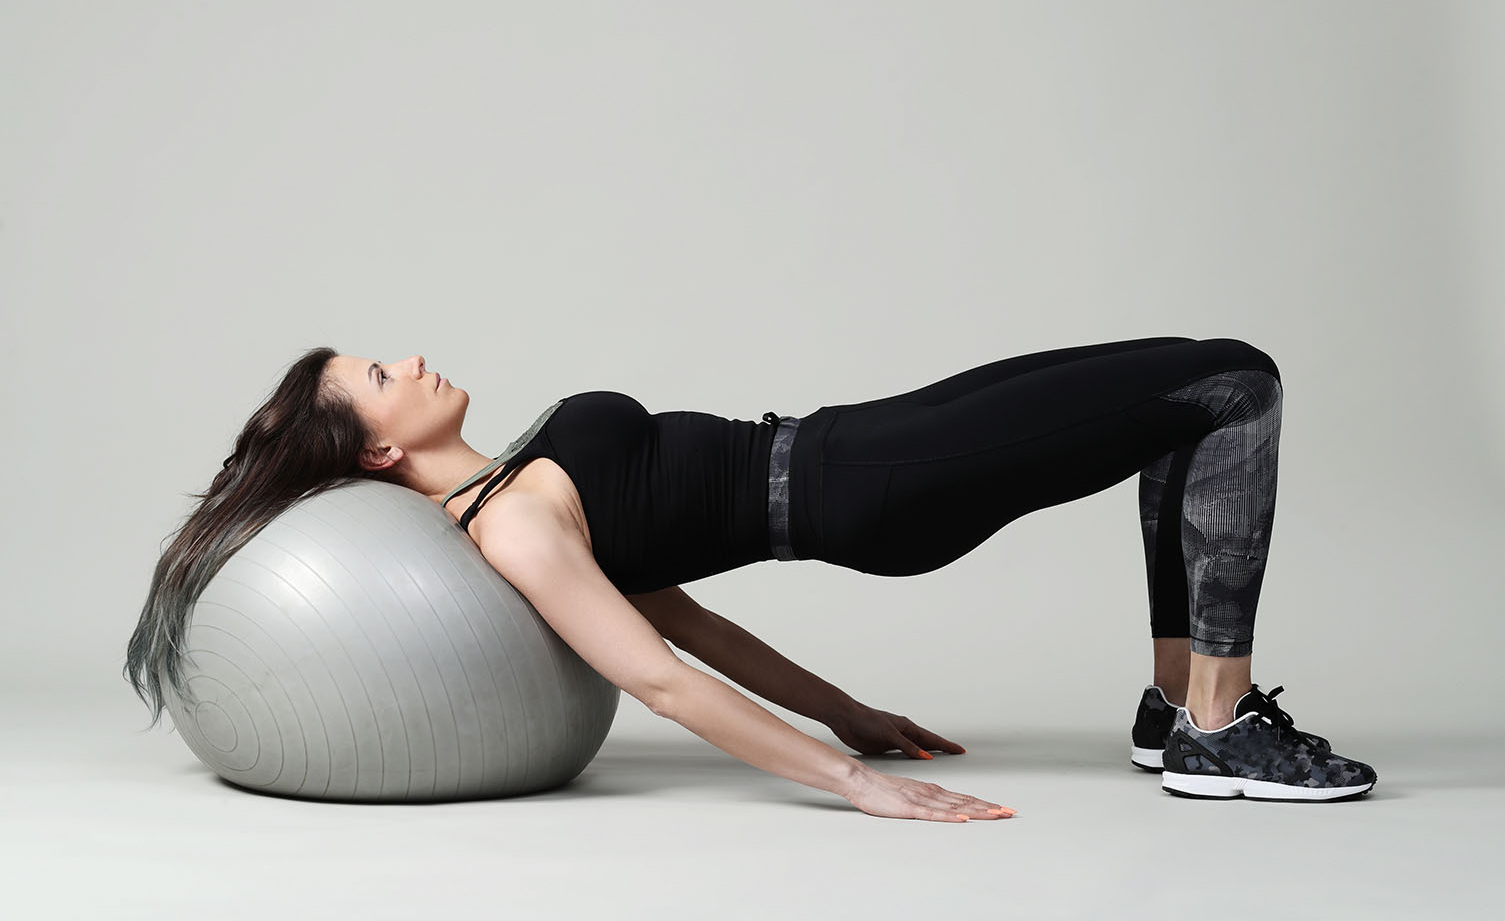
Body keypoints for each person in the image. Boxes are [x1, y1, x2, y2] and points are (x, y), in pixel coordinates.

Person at [124, 335, 1376, 822]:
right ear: (383, 446)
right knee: (1233, 387)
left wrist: (850, 710)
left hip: (849, 437)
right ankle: (1214, 723)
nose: (407, 354)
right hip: (866, 486)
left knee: (1192, 392)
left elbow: (693, 617)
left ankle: (1177, 711)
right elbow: (657, 678)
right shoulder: (505, 529)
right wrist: (846, 784)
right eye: (380, 375)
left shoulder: (512, 485)